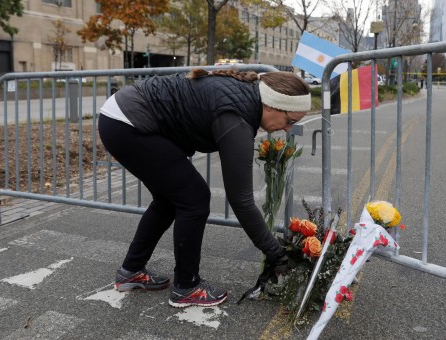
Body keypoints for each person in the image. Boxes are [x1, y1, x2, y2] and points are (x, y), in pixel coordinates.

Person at [97, 68, 311, 308]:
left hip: (121, 116)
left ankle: (132, 271)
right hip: (129, 123)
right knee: (194, 199)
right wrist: (276, 253)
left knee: (169, 199)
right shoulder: (236, 117)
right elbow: (241, 200)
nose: (288, 129)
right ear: (272, 105)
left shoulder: (245, 99)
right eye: (290, 121)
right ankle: (186, 287)